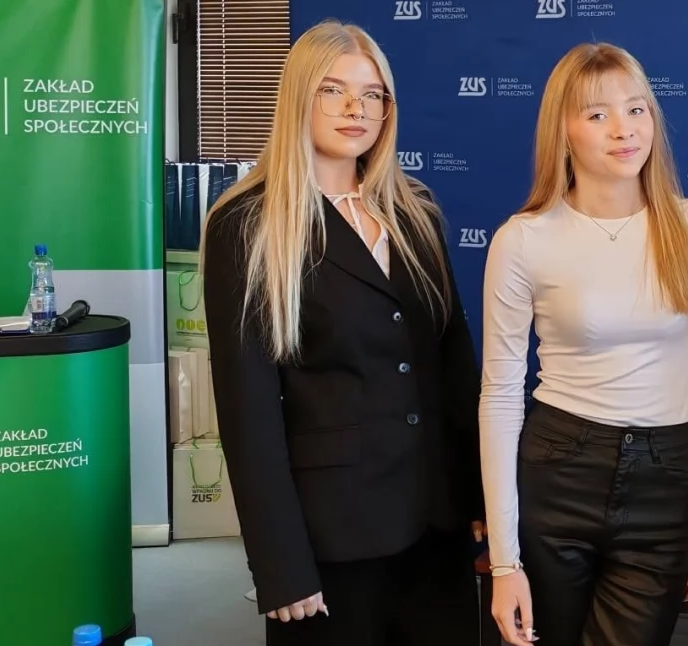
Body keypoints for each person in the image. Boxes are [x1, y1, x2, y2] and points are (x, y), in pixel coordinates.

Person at [200, 20, 485, 646]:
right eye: (333, 90)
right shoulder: (246, 225)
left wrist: (481, 500)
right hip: (331, 535)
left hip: (436, 523)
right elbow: (248, 413)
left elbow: (454, 366)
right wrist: (279, 563)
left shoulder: (416, 211)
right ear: (298, 98)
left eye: (372, 94)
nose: (356, 109)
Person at [479, 42, 688, 646]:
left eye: (636, 109)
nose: (624, 129)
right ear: (563, 131)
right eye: (598, 114)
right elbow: (499, 397)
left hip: (665, 482)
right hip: (558, 473)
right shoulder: (523, 240)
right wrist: (504, 561)